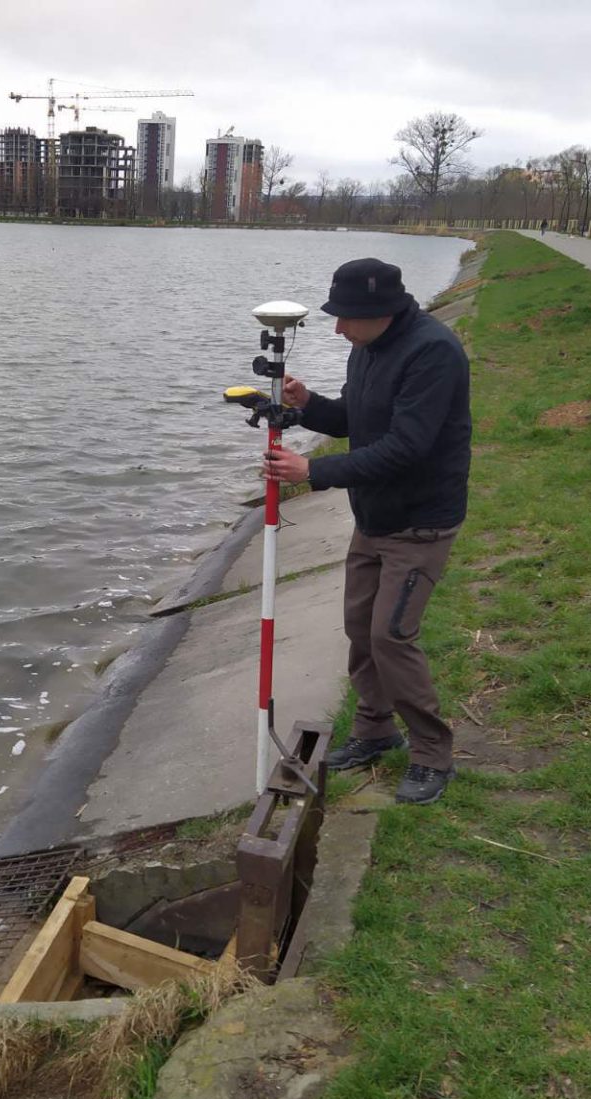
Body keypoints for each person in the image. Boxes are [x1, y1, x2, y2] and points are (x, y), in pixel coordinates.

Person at [261, 258, 471, 804]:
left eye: (345, 318)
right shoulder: (368, 347)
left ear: (381, 311)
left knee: (391, 637)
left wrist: (315, 472)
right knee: (360, 628)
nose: (336, 329)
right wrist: (308, 407)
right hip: (373, 519)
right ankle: (375, 732)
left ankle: (432, 754)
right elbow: (356, 418)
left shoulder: (433, 353)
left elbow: (407, 447)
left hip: (420, 522)